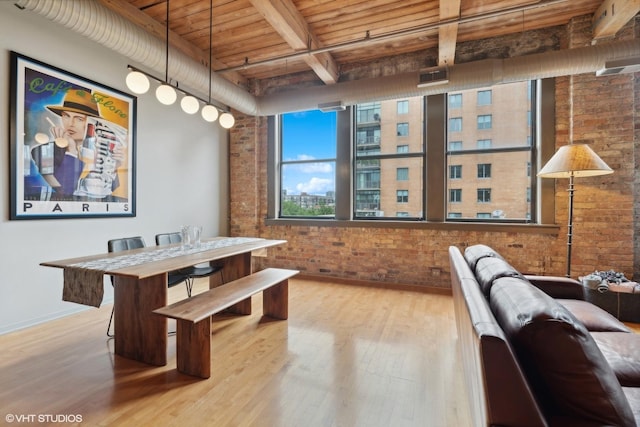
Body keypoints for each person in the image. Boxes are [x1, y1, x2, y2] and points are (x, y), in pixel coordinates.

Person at [30, 88, 124, 197]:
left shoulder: (100, 151)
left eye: (79, 119)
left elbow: (110, 189)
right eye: (66, 116)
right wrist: (71, 151)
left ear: (92, 123)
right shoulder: (43, 151)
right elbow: (65, 191)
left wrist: (115, 166)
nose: (70, 124)